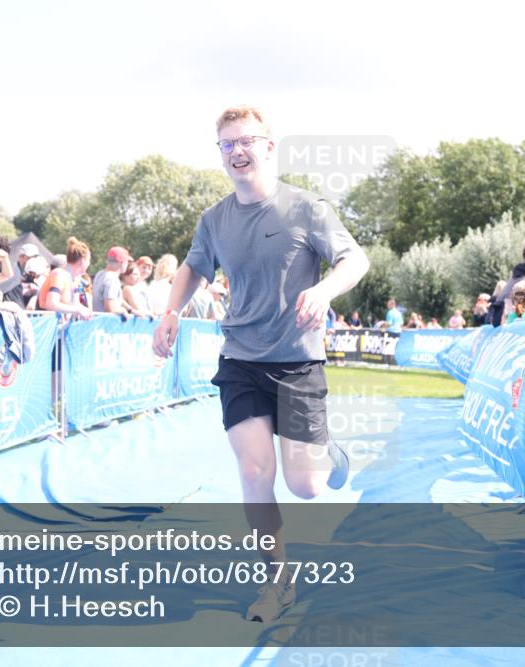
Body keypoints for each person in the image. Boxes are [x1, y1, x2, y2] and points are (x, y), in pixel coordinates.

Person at [152, 105, 369, 623]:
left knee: (306, 486)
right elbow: (192, 268)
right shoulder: (215, 219)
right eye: (227, 144)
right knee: (253, 472)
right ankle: (277, 582)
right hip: (241, 361)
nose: (237, 152)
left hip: (297, 363)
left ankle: (327, 453)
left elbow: (355, 260)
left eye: (246, 141)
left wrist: (323, 288)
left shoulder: (307, 208)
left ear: (269, 147)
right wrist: (170, 313)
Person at [38, 237, 92, 319]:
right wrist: (78, 309)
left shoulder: (76, 279)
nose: (89, 263)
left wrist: (83, 310)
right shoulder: (59, 275)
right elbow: (51, 303)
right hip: (45, 326)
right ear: (83, 260)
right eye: (89, 260)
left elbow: (74, 305)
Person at [92, 246, 134, 314]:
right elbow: (110, 308)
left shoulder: (100, 274)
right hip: (107, 323)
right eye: (127, 262)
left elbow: (112, 297)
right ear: (122, 262)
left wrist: (130, 309)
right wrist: (124, 311)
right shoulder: (112, 279)